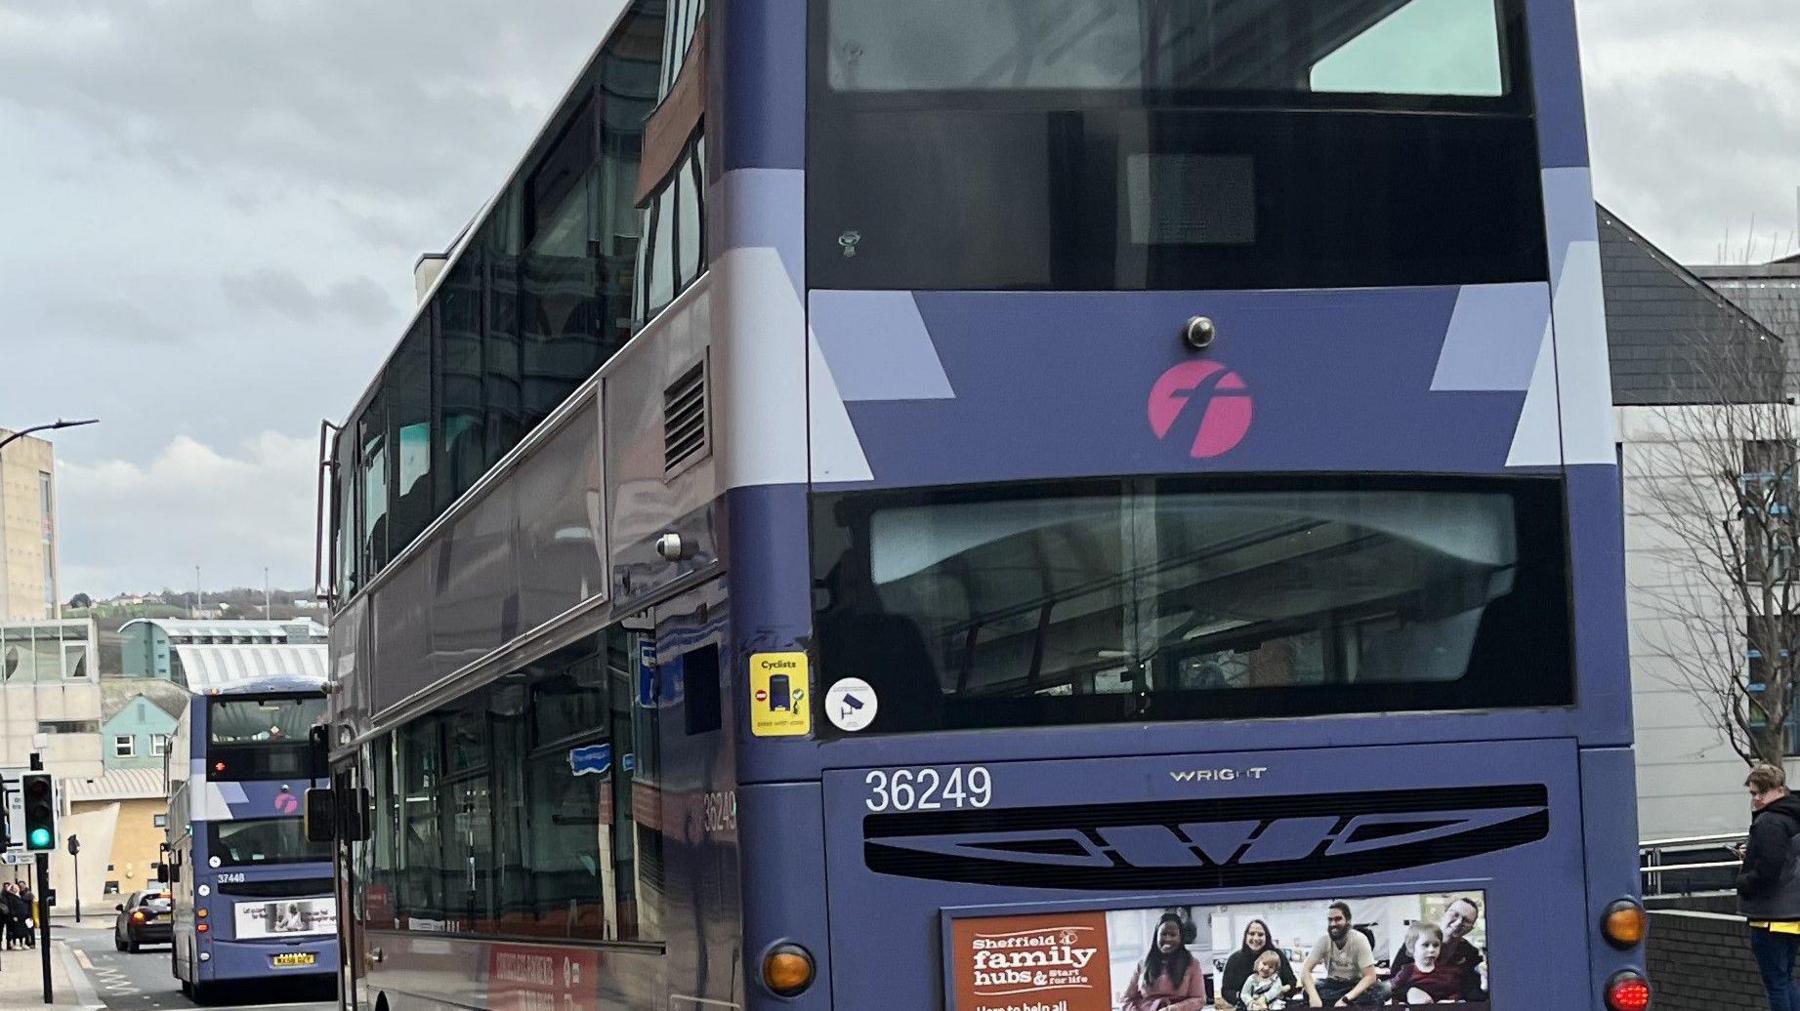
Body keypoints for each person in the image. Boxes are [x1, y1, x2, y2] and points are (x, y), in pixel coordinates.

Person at [1740, 763, 1800, 1011]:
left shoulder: (1770, 822)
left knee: (1776, 983)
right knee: (1785, 979)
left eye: (1759, 793)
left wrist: (1743, 880)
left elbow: (1769, 870)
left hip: (1770, 916)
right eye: (1753, 794)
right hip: (1792, 912)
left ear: (1776, 790)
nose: (1755, 799)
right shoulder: (1793, 816)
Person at [1389, 897, 1484, 1000]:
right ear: (1444, 913)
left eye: (1466, 921)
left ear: (1470, 929)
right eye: (1455, 914)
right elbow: (1394, 978)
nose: (1458, 923)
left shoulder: (1471, 953)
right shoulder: (1418, 940)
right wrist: (1411, 993)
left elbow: (1471, 991)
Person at [1300, 902, 1386, 1007]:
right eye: (1330, 920)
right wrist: (1314, 997)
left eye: (1338, 919)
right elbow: (1305, 970)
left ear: (1348, 921)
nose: (1333, 924)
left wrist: (1345, 999)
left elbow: (1370, 976)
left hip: (1355, 986)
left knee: (1383, 989)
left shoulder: (1359, 939)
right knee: (1308, 991)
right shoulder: (1324, 940)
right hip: (1332, 985)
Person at [1122, 912, 1211, 1011]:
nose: (1168, 939)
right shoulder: (1142, 964)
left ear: (1180, 938)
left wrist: (1175, 1008)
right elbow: (1126, 999)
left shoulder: (1192, 964)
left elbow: (1199, 999)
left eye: (1173, 935)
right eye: (1163, 934)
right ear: (1156, 936)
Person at [1217, 919, 1298, 1009]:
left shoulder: (1277, 955)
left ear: (1266, 937)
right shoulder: (1234, 959)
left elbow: (1292, 982)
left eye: (1260, 934)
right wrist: (1247, 999)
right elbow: (1226, 991)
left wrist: (1278, 992)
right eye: (1251, 934)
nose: (1256, 938)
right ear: (1245, 936)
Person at [1387, 925, 1462, 1004]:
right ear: (1412, 947)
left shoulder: (1446, 972)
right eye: (1425, 945)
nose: (1431, 950)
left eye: (1436, 945)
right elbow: (1392, 990)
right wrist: (1399, 1004)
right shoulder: (1407, 971)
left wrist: (1451, 1000)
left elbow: (1455, 992)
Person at [17, 883, 35, 947]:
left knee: (30, 929)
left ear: (25, 885)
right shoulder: (21, 893)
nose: (21, 887)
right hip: (23, 914)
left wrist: (30, 915)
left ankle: (32, 943)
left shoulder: (28, 894)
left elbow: (30, 906)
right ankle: (27, 942)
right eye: (20, 886)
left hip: (28, 914)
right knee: (25, 929)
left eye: (22, 886)